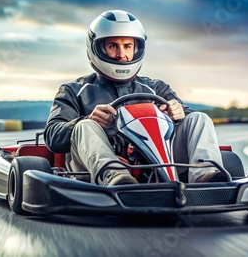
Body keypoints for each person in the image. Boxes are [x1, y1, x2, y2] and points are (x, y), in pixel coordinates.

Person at [44, 10, 228, 186]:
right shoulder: (73, 91)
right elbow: (52, 137)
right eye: (113, 46)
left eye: (127, 46)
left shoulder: (156, 88)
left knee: (198, 118)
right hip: (93, 175)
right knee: (84, 126)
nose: (122, 54)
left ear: (136, 48)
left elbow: (187, 120)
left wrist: (179, 112)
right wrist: (89, 120)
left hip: (156, 167)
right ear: (97, 48)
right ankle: (116, 177)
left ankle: (205, 176)